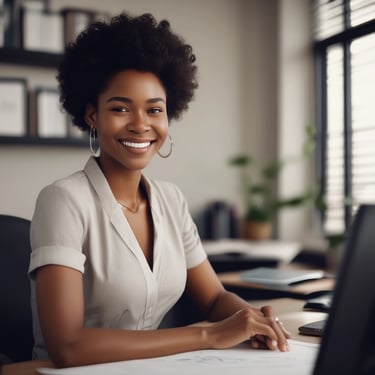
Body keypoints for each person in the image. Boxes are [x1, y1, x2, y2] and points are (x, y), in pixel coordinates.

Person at [28, 12, 290, 368]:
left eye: (155, 110)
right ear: (92, 115)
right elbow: (68, 346)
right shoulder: (63, 201)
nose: (140, 125)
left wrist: (253, 320)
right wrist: (210, 335)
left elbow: (213, 299)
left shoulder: (170, 199)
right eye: (120, 108)